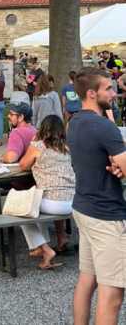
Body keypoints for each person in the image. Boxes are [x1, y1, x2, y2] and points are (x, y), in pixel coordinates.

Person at [68, 67, 126, 325]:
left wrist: (117, 166)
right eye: (108, 89)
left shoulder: (74, 122)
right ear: (92, 93)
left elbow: (99, 159)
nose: (114, 93)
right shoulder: (104, 127)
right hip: (106, 215)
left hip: (83, 207)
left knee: (87, 279)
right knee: (112, 294)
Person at [19, 115, 75, 268]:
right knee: (36, 205)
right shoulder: (67, 147)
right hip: (73, 201)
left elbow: (23, 165)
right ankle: (47, 244)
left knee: (22, 211)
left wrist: (32, 142)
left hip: (51, 202)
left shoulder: (38, 146)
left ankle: (44, 248)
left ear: (42, 129)